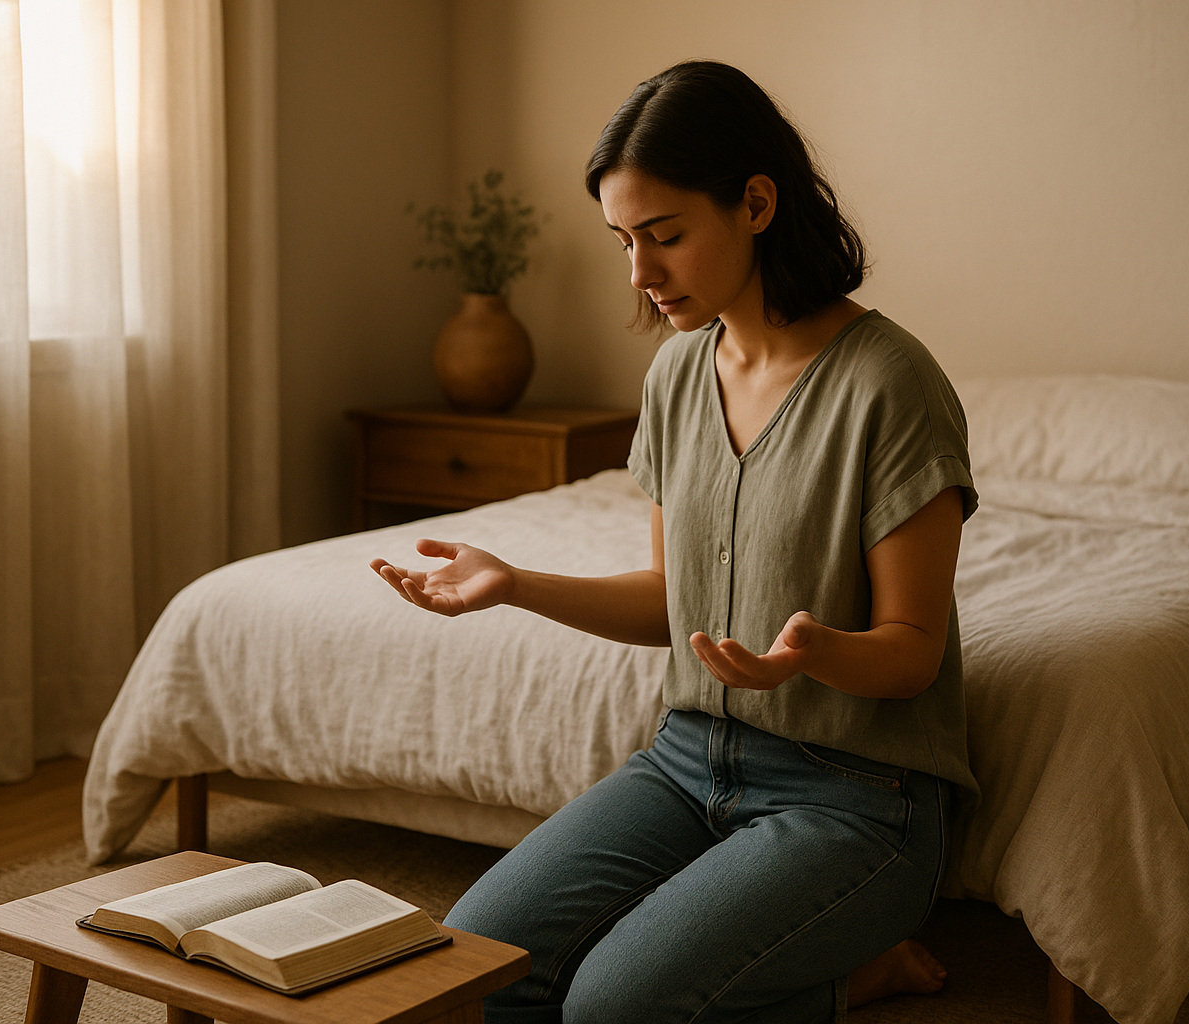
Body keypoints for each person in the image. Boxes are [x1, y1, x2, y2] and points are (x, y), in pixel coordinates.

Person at [371, 59, 977, 1024]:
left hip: (858, 799)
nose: (640, 274)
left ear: (757, 204)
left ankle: (842, 978)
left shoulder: (888, 384)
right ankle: (817, 981)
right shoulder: (676, 378)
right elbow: (671, 600)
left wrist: (814, 655)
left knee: (611, 1010)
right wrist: (516, 582)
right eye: (623, 241)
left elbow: (913, 652)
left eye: (665, 237)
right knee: (468, 977)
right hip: (688, 763)